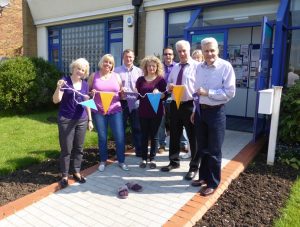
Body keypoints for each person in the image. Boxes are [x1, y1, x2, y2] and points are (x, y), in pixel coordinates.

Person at [191, 37, 236, 196]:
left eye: (212, 50)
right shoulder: (199, 67)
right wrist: (194, 110)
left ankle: (213, 183)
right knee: (202, 148)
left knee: (214, 150)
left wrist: (208, 93)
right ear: (202, 51)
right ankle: (203, 177)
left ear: (218, 50)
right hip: (200, 111)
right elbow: (196, 92)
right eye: (206, 51)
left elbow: (230, 93)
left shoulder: (225, 67)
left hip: (216, 112)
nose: (209, 53)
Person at [161, 40, 200, 181]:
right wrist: (169, 87)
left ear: (189, 50)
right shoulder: (176, 67)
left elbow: (199, 89)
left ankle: (194, 167)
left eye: (184, 50)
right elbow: (168, 85)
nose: (182, 53)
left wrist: (196, 108)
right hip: (175, 104)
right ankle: (174, 162)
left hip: (190, 105)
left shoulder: (197, 67)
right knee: (175, 135)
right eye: (180, 51)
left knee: (193, 137)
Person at [53, 58, 93, 188]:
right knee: (66, 149)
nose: (80, 71)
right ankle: (64, 176)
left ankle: (76, 172)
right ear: (73, 68)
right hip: (66, 119)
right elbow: (56, 100)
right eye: (78, 68)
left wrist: (90, 120)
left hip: (81, 119)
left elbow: (87, 102)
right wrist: (58, 87)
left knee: (79, 148)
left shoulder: (85, 84)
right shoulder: (65, 81)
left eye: (83, 70)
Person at [88, 54, 129, 172]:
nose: (107, 64)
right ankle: (103, 160)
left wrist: (123, 92)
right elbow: (88, 93)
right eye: (106, 61)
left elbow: (121, 95)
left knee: (119, 136)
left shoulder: (116, 76)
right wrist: (92, 93)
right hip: (99, 110)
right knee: (102, 137)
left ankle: (121, 161)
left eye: (110, 63)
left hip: (115, 109)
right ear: (101, 62)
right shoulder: (93, 76)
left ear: (112, 65)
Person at [136, 56, 167, 169]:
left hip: (156, 112)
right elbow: (137, 95)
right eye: (149, 65)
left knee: (154, 136)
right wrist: (134, 92)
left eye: (154, 66)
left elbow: (165, 95)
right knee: (144, 136)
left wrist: (159, 93)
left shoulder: (160, 80)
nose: (151, 67)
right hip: (143, 112)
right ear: (145, 67)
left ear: (157, 67)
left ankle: (152, 159)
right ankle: (144, 159)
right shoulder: (140, 80)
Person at [157, 47, 189, 154]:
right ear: (163, 56)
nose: (168, 56)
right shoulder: (158, 67)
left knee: (180, 122)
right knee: (161, 122)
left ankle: (183, 144)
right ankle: (162, 144)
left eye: (170, 54)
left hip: (176, 96)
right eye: (166, 54)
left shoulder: (178, 66)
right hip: (161, 97)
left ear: (173, 56)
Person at [115, 49, 143, 157]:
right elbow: (113, 86)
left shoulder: (139, 71)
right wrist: (120, 90)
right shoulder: (116, 71)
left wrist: (138, 90)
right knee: (120, 128)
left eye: (130, 57)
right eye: (126, 56)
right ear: (123, 57)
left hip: (135, 102)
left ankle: (139, 150)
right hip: (121, 103)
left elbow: (142, 87)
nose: (128, 59)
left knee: (137, 127)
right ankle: (120, 152)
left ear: (134, 57)